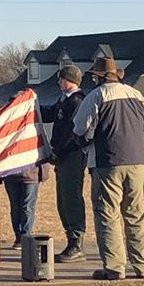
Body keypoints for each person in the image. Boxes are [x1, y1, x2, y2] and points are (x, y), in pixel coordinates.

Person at [73, 55, 144, 281]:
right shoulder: (136, 95)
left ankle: (115, 267)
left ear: (98, 77)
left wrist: (86, 144)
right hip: (138, 162)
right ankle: (142, 266)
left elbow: (81, 130)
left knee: (107, 214)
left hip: (106, 162)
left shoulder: (96, 96)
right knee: (136, 214)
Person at [50, 64, 87, 262]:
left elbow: (72, 132)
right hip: (62, 156)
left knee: (71, 197)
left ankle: (76, 242)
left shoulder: (77, 101)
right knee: (62, 199)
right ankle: (70, 237)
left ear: (70, 80)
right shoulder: (63, 100)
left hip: (72, 155)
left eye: (61, 79)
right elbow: (51, 114)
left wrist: (57, 151)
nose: (58, 82)